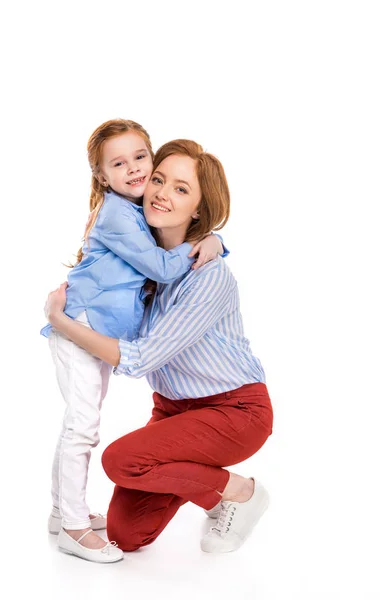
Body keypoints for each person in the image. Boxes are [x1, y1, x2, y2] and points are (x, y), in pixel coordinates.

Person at [45, 139, 273, 563]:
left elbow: (141, 358)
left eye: (182, 189)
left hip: (234, 411)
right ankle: (202, 480)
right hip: (173, 410)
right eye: (159, 179)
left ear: (200, 209)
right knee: (127, 535)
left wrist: (64, 324)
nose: (162, 193)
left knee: (121, 461)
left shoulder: (208, 276)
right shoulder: (142, 262)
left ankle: (239, 492)